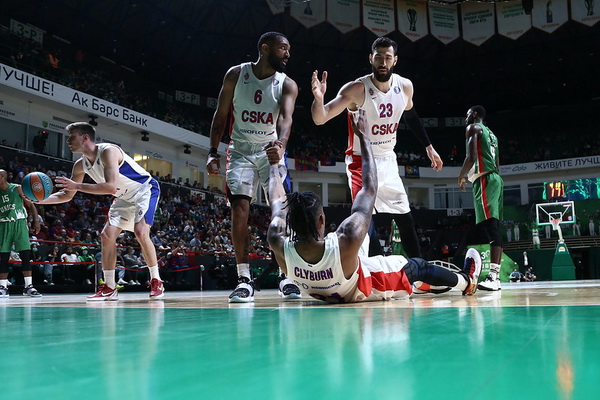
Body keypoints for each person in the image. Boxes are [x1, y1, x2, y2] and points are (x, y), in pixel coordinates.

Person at [266, 115, 481, 303]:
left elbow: (277, 202)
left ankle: (432, 282)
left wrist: (273, 165)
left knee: (366, 229)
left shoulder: (279, 242)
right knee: (418, 266)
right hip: (366, 286)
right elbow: (369, 188)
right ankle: (466, 281)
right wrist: (365, 138)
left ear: (290, 222)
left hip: (326, 286)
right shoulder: (345, 238)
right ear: (321, 220)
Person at [311, 36, 443, 259]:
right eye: (378, 57)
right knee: (363, 218)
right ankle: (374, 267)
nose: (383, 62)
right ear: (370, 58)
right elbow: (320, 118)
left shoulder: (405, 86)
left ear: (395, 60)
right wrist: (318, 98)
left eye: (388, 57)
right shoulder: (356, 89)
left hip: (388, 159)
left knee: (405, 217)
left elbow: (411, 115)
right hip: (361, 161)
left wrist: (429, 146)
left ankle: (419, 271)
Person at [206, 32, 301, 303]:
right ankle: (244, 278)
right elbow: (220, 114)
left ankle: (286, 276)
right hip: (240, 150)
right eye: (283, 48)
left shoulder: (288, 84)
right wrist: (212, 151)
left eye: (288, 49)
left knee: (280, 210)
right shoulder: (236, 74)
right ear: (264, 48)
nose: (287, 54)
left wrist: (281, 145)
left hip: (271, 152)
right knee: (240, 210)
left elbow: (286, 118)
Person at [37, 122, 164, 301]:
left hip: (144, 190)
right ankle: (110, 287)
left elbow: (110, 187)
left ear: (85, 137)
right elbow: (67, 195)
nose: (68, 141)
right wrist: (40, 200)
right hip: (124, 197)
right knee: (106, 236)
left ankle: (156, 280)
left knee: (141, 231)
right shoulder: (80, 165)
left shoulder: (108, 151)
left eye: (71, 136)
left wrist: (78, 186)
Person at [458, 105, 504, 291]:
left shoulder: (473, 128)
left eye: (468, 113)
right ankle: (495, 276)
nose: (466, 117)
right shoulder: (493, 136)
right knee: (492, 225)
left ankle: (494, 277)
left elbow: (470, 156)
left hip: (485, 178)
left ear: (475, 114)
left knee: (490, 226)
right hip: (495, 178)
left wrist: (461, 175)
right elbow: (498, 163)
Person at [0, 169, 42, 297]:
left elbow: (31, 204)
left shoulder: (17, 188)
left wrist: (36, 221)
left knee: (25, 255)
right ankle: (2, 287)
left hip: (19, 223)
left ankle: (28, 287)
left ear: (2, 177)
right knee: (3, 257)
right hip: (3, 224)